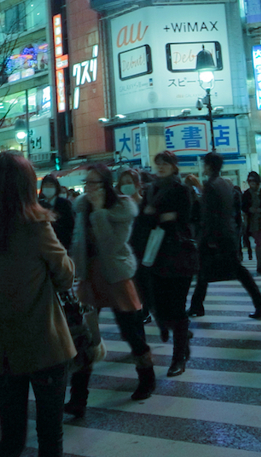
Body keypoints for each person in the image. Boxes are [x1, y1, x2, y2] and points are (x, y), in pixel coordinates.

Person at [0, 151, 75, 457]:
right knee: (49, 438)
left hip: (0, 345)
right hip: (44, 343)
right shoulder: (36, 225)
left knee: (11, 439)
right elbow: (65, 276)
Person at [65, 164, 153, 417]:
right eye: (87, 183)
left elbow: (112, 245)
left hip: (116, 276)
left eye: (93, 183)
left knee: (131, 332)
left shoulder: (121, 209)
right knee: (84, 337)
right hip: (90, 278)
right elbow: (78, 241)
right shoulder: (81, 206)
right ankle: (78, 398)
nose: (88, 188)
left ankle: (146, 378)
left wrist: (101, 212)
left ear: (106, 185)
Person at [190, 152, 261, 320]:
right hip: (227, 234)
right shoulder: (225, 184)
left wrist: (210, 239)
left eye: (204, 164)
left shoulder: (211, 185)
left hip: (216, 236)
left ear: (209, 166)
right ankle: (197, 305)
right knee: (208, 271)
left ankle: (260, 303)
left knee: (236, 271)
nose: (203, 167)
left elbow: (212, 214)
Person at [142, 151, 199, 376]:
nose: (161, 167)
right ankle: (181, 341)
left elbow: (185, 217)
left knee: (177, 308)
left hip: (179, 255)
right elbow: (145, 217)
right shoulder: (151, 189)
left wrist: (157, 215)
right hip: (155, 254)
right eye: (158, 163)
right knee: (158, 305)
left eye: (166, 163)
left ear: (174, 166)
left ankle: (179, 358)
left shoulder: (182, 189)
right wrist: (161, 216)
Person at [39, 173, 75, 252]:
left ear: (56, 187)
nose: (48, 188)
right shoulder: (39, 205)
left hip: (62, 245)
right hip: (44, 247)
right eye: (46, 185)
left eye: (51, 185)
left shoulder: (64, 203)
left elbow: (70, 225)